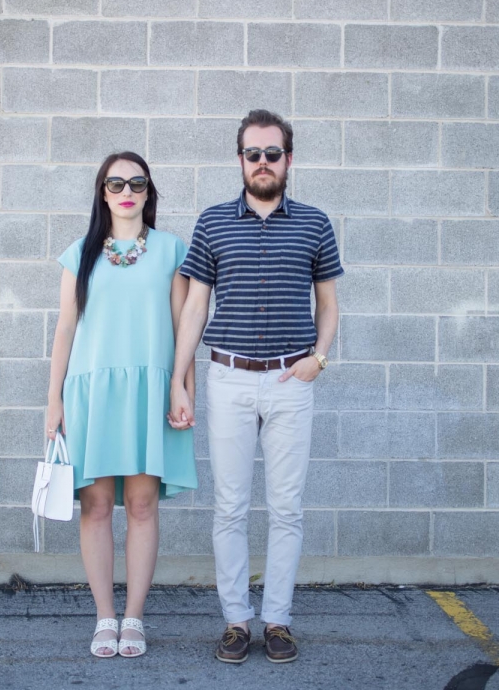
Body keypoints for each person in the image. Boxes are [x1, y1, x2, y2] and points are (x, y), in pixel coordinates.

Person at [169, 110, 343, 664]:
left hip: (292, 380)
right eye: (253, 153)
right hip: (228, 379)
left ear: (288, 159)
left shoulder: (315, 223)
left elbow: (328, 303)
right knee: (230, 507)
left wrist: (319, 358)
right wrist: (179, 380)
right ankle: (236, 622)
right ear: (240, 159)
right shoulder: (213, 222)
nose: (262, 162)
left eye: (272, 153)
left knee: (287, 508)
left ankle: (278, 621)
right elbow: (195, 307)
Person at [47, 152, 197, 659]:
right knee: (94, 507)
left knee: (141, 505)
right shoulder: (79, 254)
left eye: (137, 182)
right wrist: (53, 401)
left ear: (149, 191)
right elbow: (65, 329)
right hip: (90, 392)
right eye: (116, 183)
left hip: (149, 391)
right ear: (103, 192)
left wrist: (183, 389)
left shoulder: (171, 250)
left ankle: (133, 617)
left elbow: (183, 328)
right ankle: (103, 617)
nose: (127, 191)